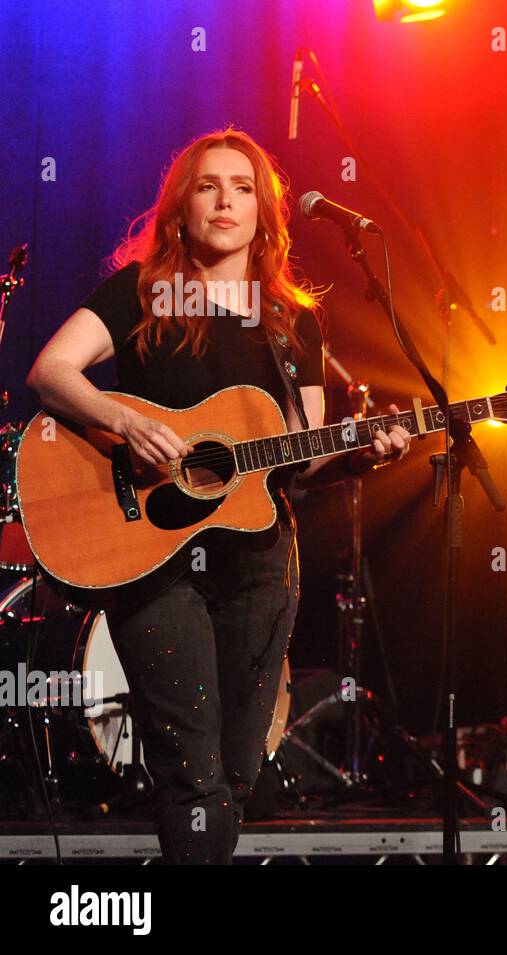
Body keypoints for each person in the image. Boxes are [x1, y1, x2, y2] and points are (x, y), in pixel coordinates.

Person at [25, 128, 412, 863]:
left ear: (265, 212)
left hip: (261, 566)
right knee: (193, 777)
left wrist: (365, 454)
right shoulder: (140, 291)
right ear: (180, 208)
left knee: (236, 772)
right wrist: (125, 420)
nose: (226, 200)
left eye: (242, 187)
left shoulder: (293, 320)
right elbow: (51, 371)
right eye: (208, 186)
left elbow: (302, 459)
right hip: (150, 557)